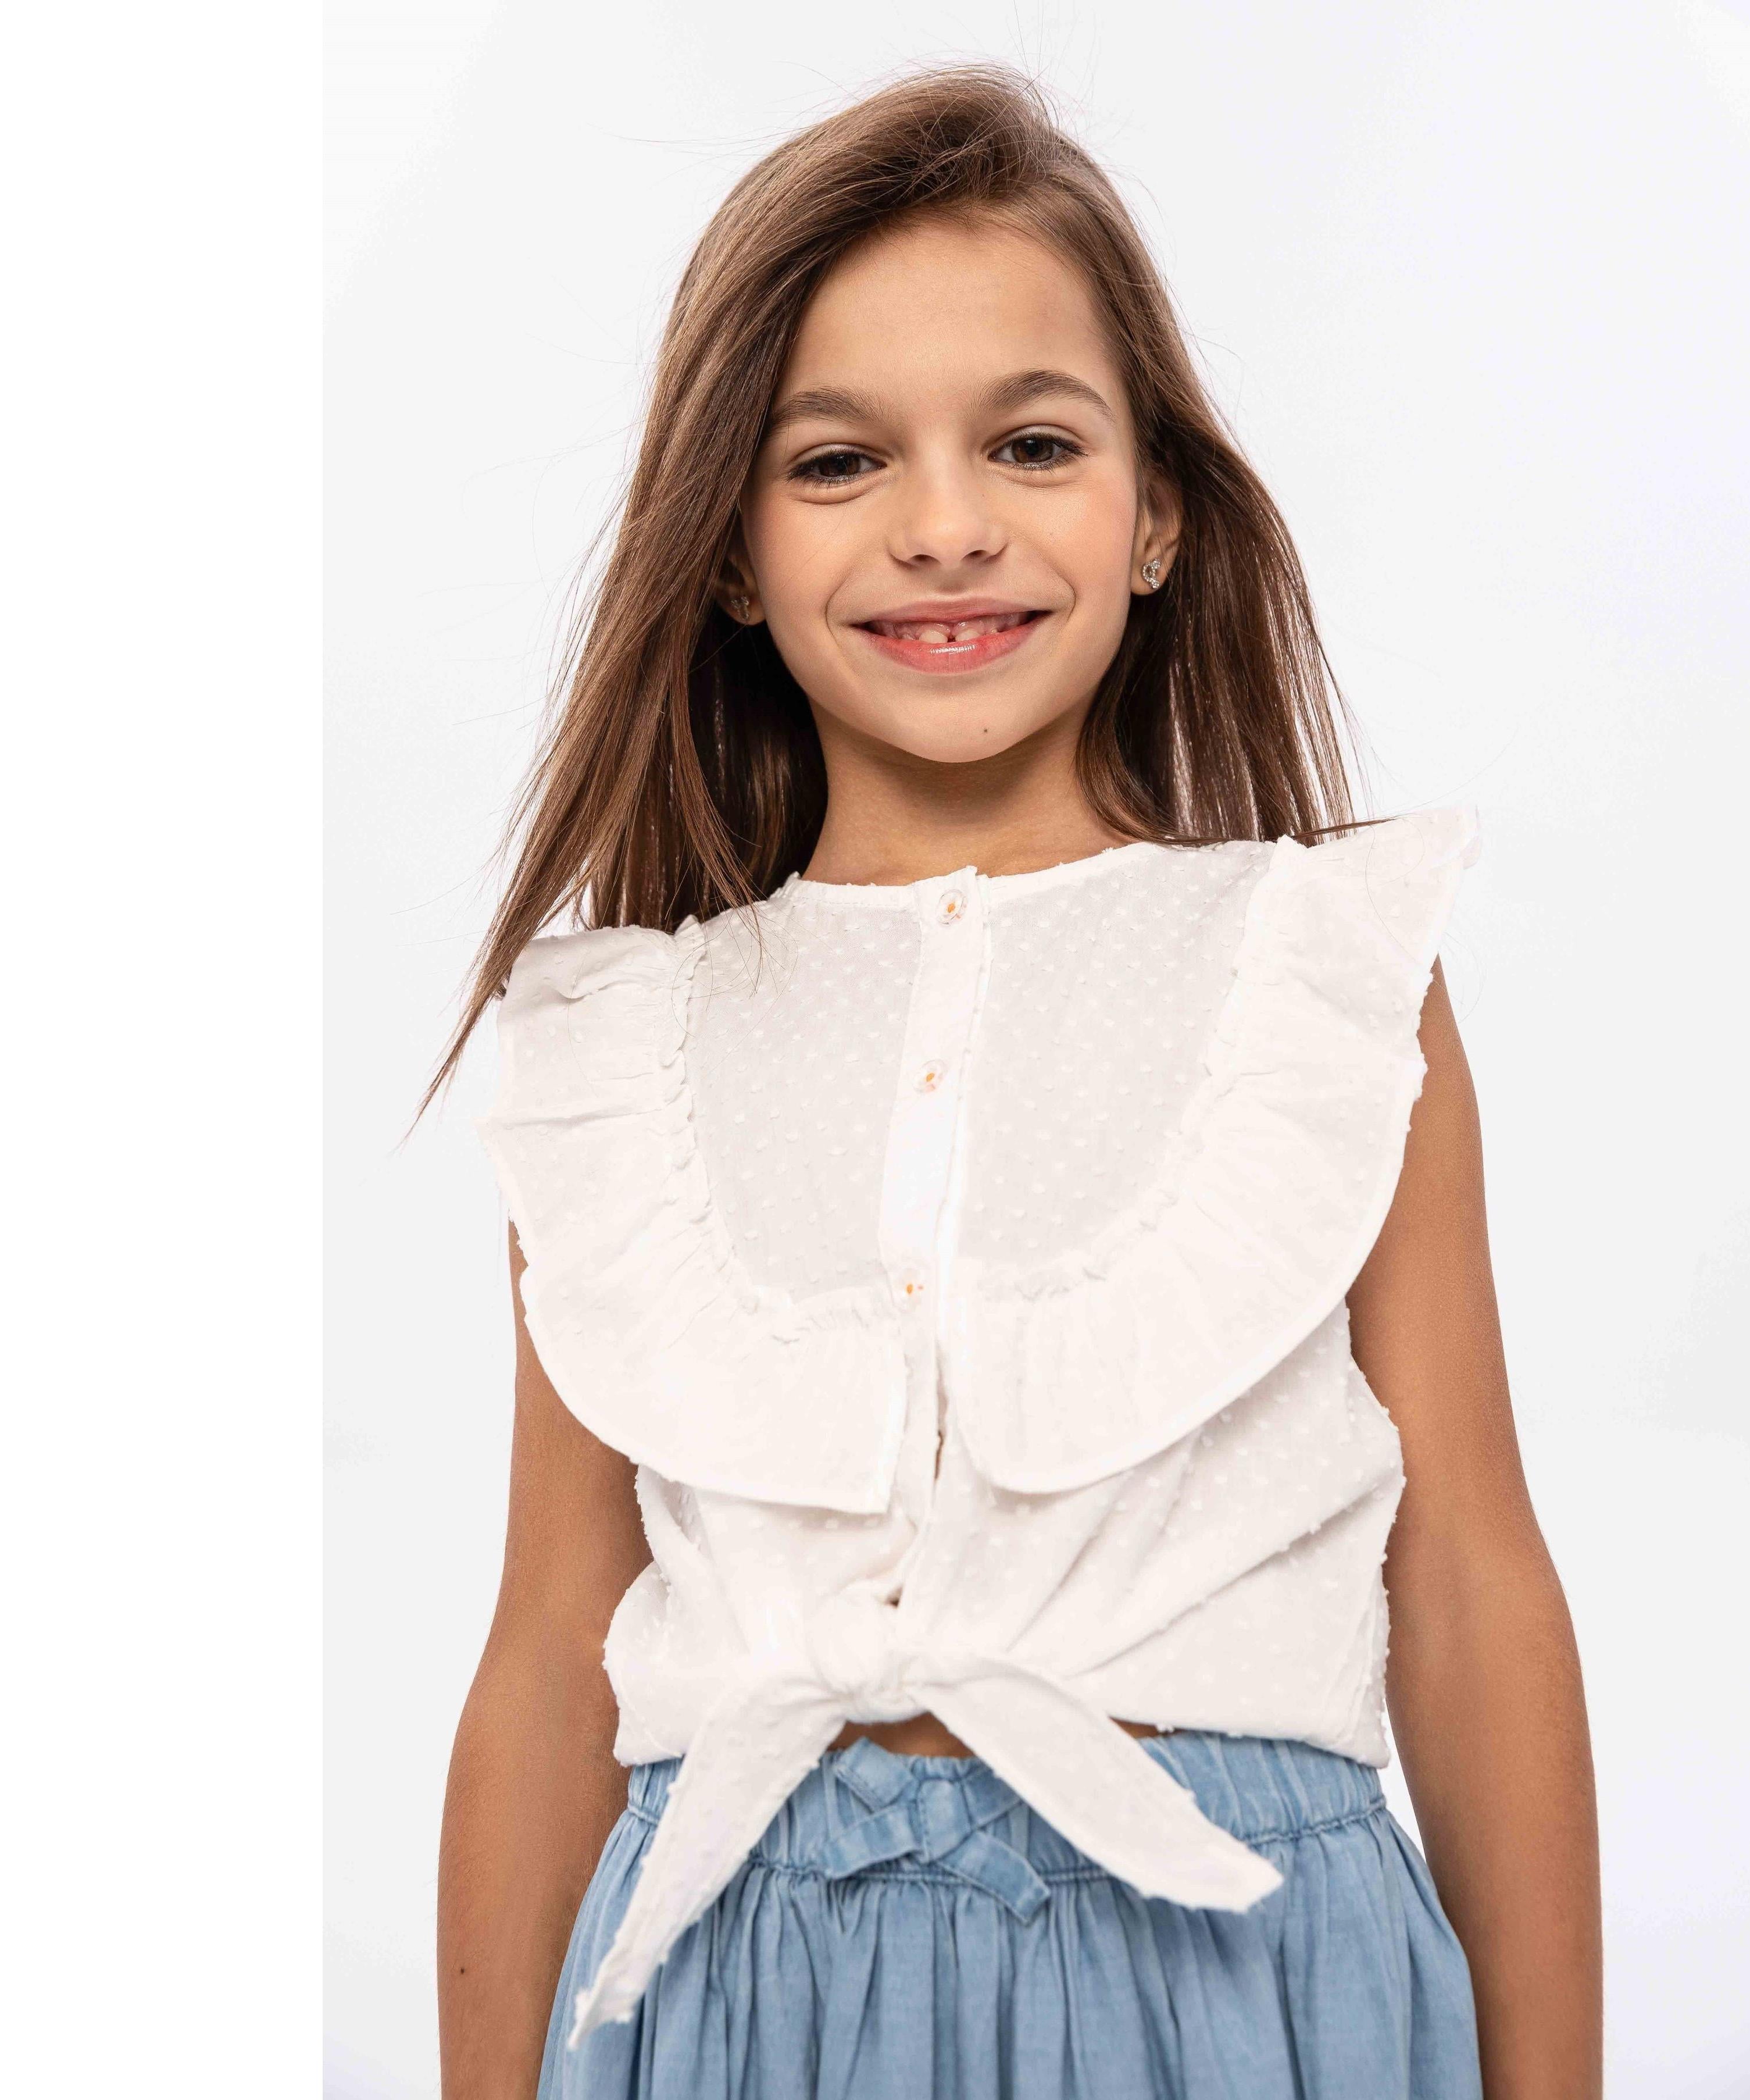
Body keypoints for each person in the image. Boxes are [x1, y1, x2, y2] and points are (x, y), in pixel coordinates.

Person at [424, 63, 1601, 2100]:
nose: (944, 524)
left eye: (1032, 442)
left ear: (1154, 514)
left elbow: (1472, 1577)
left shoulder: (1321, 973)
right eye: (837, 461)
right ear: (723, 550)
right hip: (736, 1984)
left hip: (1228, 1971)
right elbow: (548, 1643)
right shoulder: (618, 1051)